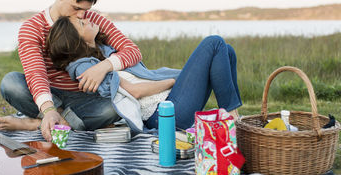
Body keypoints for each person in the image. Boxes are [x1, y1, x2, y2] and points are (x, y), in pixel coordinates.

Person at [0, 0, 143, 142]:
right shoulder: (32, 28)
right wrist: (49, 109)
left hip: (86, 98)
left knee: (116, 107)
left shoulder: (93, 20)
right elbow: (36, 73)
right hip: (50, 93)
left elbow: (133, 52)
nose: (82, 14)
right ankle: (57, 118)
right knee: (11, 83)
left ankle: (36, 123)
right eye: (76, 8)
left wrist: (103, 67)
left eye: (86, 9)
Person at [45, 16, 242, 132]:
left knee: (227, 50)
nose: (87, 19)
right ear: (77, 41)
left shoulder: (103, 53)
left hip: (171, 101)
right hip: (163, 113)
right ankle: (231, 118)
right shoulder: (85, 69)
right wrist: (174, 81)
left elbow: (132, 52)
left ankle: (234, 115)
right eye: (81, 23)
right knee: (214, 43)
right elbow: (135, 91)